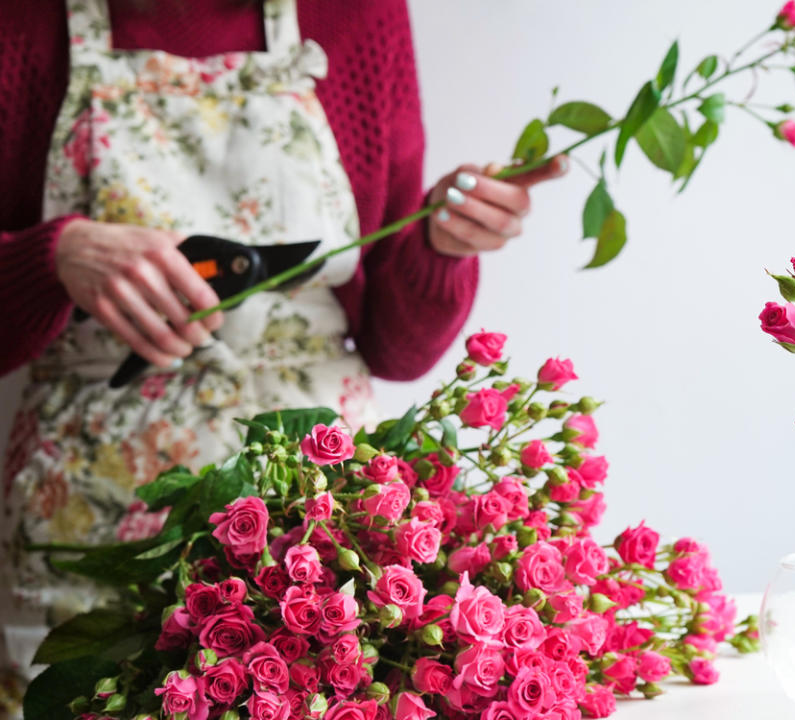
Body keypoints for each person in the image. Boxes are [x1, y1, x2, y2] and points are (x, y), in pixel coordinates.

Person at [0, 0, 566, 713]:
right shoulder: (20, 21)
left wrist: (440, 246)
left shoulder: (358, 15)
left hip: (322, 538)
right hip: (89, 532)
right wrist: (50, 257)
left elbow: (395, 347)